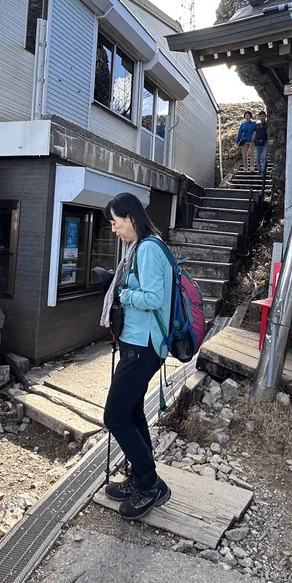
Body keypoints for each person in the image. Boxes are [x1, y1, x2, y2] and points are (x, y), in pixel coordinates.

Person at [99, 192, 174, 521]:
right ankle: (140, 476)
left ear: (131, 218)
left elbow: (155, 296)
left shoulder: (147, 249)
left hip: (144, 345)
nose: (114, 228)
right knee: (130, 411)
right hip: (139, 342)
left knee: (114, 416)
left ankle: (150, 483)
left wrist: (122, 293)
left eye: (116, 221)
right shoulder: (141, 248)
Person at [254, 110, 269, 176]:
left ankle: (263, 171)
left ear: (265, 116)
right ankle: (259, 170)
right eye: (260, 116)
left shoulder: (268, 125)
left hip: (264, 143)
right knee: (257, 158)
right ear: (259, 117)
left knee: (264, 157)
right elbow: (254, 134)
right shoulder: (257, 125)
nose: (262, 117)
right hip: (257, 143)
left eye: (263, 116)